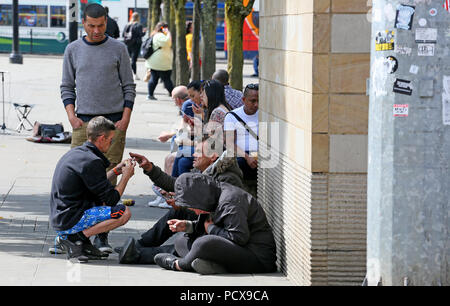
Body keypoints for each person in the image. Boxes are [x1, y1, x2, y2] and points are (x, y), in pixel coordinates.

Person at [60, 3, 135, 252]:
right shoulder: (72, 49)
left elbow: (129, 86)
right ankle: (72, 232)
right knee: (78, 178)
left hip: (113, 123)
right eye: (91, 26)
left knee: (109, 177)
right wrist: (72, 117)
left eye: (100, 25)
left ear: (106, 22)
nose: (96, 30)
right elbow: (67, 86)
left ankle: (102, 235)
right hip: (83, 121)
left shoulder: (118, 48)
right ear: (84, 23)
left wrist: (125, 119)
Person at [117, 136, 244, 265]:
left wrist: (185, 205)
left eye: (199, 151)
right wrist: (150, 168)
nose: (194, 154)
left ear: (213, 156)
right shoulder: (206, 171)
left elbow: (216, 214)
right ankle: (139, 246)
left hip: (219, 232)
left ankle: (137, 254)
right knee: (177, 214)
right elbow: (176, 184)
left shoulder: (227, 179)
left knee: (185, 244)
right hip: (206, 224)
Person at [153, 173, 277, 275]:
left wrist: (211, 228)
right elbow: (217, 226)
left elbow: (239, 237)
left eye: (193, 206)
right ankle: (213, 266)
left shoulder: (231, 201)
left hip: (257, 258)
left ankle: (179, 264)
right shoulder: (213, 195)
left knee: (203, 243)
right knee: (180, 241)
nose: (195, 211)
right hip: (237, 250)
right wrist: (187, 226)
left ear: (200, 198)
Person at [50, 116, 135, 263]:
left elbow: (96, 183)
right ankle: (77, 238)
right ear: (101, 138)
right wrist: (126, 177)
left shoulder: (79, 153)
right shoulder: (92, 161)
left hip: (61, 215)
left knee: (102, 204)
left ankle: (80, 241)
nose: (112, 143)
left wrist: (116, 171)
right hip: (70, 219)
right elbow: (112, 198)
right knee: (123, 212)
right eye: (111, 140)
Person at [224, 83, 259, 195]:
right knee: (238, 164)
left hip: (260, 154)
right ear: (244, 99)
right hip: (241, 155)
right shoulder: (232, 116)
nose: (256, 105)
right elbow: (229, 143)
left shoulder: (264, 114)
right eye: (253, 101)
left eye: (259, 101)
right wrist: (247, 157)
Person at [146, 21, 174, 100]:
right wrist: (168, 33)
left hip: (156, 62)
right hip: (161, 63)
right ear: (162, 28)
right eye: (165, 28)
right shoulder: (160, 35)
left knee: (154, 78)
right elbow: (167, 42)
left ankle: (150, 94)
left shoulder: (155, 34)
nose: (167, 29)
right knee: (166, 79)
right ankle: (173, 95)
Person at [123, 12, 146, 80]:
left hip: (128, 43)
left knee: (129, 59)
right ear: (138, 17)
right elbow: (140, 34)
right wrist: (144, 32)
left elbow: (123, 35)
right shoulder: (139, 25)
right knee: (133, 60)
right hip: (136, 44)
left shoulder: (127, 25)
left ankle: (128, 74)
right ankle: (134, 74)